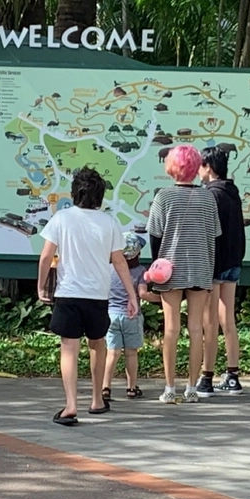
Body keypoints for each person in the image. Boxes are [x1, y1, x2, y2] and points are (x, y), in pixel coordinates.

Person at [37, 166, 139, 427]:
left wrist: (40, 286)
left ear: (74, 193)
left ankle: (71, 404)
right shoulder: (110, 222)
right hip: (98, 295)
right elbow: (119, 261)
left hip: (69, 292)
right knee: (98, 344)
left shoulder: (61, 218)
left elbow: (46, 256)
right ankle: (96, 399)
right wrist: (131, 295)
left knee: (69, 348)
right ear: (100, 196)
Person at [147, 145, 221, 404]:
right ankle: (192, 387)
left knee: (171, 329)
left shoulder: (163, 197)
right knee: (196, 329)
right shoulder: (208, 198)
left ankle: (169, 388)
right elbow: (214, 236)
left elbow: (154, 237)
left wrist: (158, 264)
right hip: (200, 267)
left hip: (170, 269)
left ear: (171, 167)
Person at [196, 147, 247, 397]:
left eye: (200, 165)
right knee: (228, 320)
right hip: (233, 263)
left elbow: (209, 235)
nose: (198, 171)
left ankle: (206, 378)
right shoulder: (232, 192)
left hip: (214, 266)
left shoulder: (211, 195)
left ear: (208, 167)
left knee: (210, 322)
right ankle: (232, 375)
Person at [102, 232, 160, 401]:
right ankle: (131, 388)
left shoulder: (109, 269)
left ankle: (106, 387)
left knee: (112, 353)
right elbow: (143, 294)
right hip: (132, 317)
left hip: (111, 315)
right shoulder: (140, 271)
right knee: (131, 353)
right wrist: (162, 299)